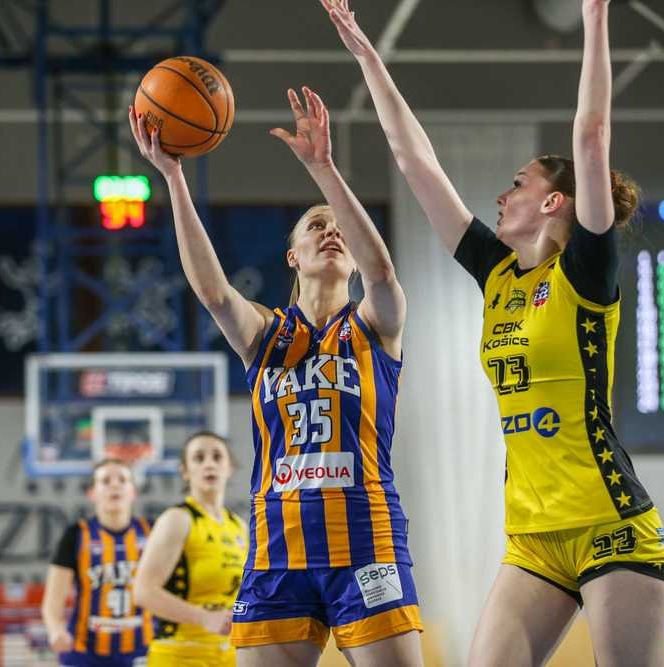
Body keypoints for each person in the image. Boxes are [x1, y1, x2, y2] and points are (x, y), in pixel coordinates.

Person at [321, 0, 664, 665]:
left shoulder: (583, 271)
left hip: (610, 525)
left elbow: (592, 135)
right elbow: (416, 163)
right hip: (533, 538)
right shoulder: (496, 273)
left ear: (553, 202)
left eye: (518, 184)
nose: (501, 196)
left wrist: (595, 17)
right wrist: (367, 54)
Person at [129, 84, 423, 666]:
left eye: (338, 226)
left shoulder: (374, 325)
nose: (330, 230)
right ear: (292, 256)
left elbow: (383, 274)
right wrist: (174, 178)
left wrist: (324, 171)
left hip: (365, 540)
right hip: (277, 548)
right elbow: (213, 292)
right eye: (316, 225)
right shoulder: (266, 333)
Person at [131, 431, 246, 667]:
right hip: (180, 654)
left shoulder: (239, 526)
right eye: (199, 458)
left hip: (229, 654)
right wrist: (204, 618)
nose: (209, 464)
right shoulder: (177, 519)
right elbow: (143, 591)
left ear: (229, 467)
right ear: (185, 471)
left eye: (217, 457)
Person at [42, 458, 152, 667]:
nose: (115, 485)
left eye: (122, 480)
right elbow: (53, 601)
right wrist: (56, 630)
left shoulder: (152, 532)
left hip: (141, 648)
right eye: (106, 480)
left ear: (133, 492)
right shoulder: (76, 534)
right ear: (92, 493)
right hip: (85, 652)